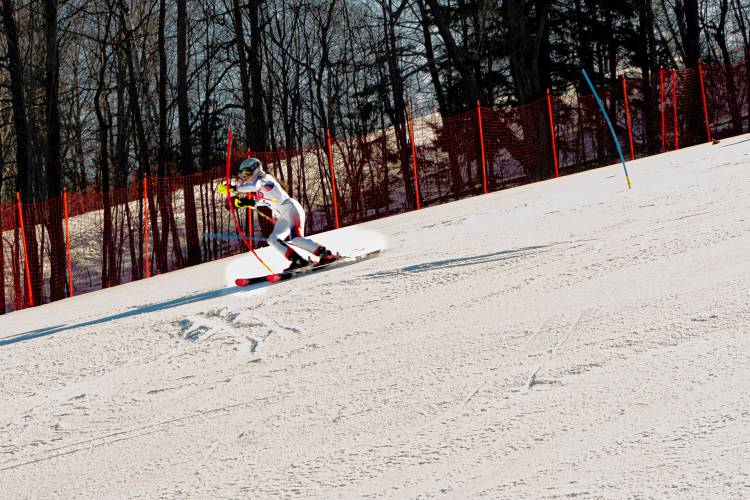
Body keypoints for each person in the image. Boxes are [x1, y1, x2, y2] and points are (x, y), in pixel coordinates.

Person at [223, 157, 337, 272]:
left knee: (296, 239)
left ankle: (326, 254)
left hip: (291, 209)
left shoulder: (264, 178)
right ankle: (298, 261)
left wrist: (233, 188)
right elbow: (258, 201)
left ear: (255, 169)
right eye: (243, 175)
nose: (245, 177)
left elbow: (254, 186)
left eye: (246, 173)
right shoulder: (258, 187)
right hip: (283, 215)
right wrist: (239, 203)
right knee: (273, 239)